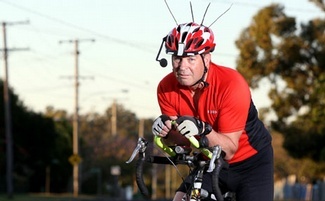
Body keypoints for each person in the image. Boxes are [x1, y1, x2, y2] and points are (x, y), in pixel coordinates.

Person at [151, 22, 274, 201]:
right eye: (177, 58)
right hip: (209, 162)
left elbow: (229, 150)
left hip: (251, 163)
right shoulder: (166, 88)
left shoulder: (232, 84)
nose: (182, 66)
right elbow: (182, 143)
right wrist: (166, 133)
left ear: (206, 59)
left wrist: (202, 128)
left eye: (191, 59)